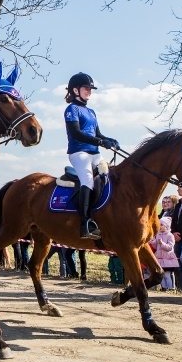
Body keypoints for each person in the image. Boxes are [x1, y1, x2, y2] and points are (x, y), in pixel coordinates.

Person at [63, 72, 120, 239]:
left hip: (94, 153)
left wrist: (109, 140)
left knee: (107, 176)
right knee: (87, 179)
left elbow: (98, 134)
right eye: (86, 88)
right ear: (75, 90)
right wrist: (100, 142)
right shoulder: (71, 109)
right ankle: (85, 222)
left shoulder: (92, 112)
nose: (89, 91)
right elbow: (76, 133)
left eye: (90, 89)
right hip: (79, 152)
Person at [151, 216, 179, 291]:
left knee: (167, 275)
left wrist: (162, 243)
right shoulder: (158, 235)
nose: (159, 226)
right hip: (159, 259)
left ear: (167, 226)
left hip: (167, 259)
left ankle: (170, 288)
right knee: (162, 275)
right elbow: (155, 245)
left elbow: (169, 247)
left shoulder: (170, 236)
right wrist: (152, 241)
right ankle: (164, 287)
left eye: (161, 225)